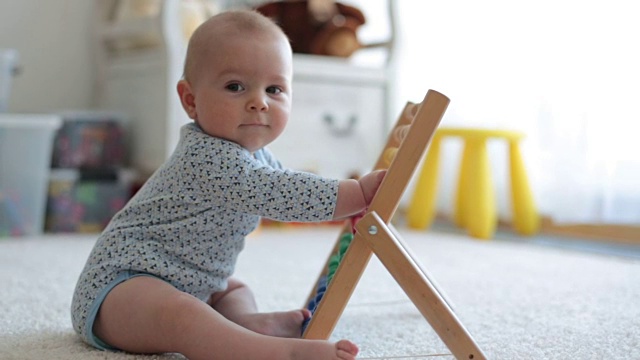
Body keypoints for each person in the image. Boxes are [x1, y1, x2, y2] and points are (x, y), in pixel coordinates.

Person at [71, 9, 386, 360]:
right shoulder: (207, 157)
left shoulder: (257, 157)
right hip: (119, 291)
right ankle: (271, 352)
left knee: (232, 290)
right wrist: (355, 194)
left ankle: (243, 324)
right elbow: (281, 194)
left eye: (275, 89)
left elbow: (291, 185)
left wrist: (343, 202)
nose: (259, 102)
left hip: (197, 284)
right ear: (191, 100)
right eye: (235, 87)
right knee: (184, 317)